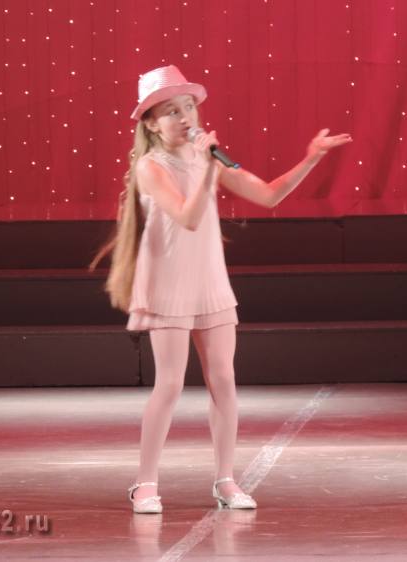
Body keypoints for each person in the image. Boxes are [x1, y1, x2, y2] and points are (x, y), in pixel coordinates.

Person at [90, 65, 352, 514]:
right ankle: (145, 483)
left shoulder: (205, 160)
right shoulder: (151, 167)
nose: (184, 117)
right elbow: (187, 217)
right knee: (170, 384)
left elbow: (268, 195)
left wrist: (311, 157)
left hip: (209, 279)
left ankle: (226, 480)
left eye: (188, 107)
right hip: (168, 282)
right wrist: (210, 167)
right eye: (171, 111)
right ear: (151, 124)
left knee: (224, 381)